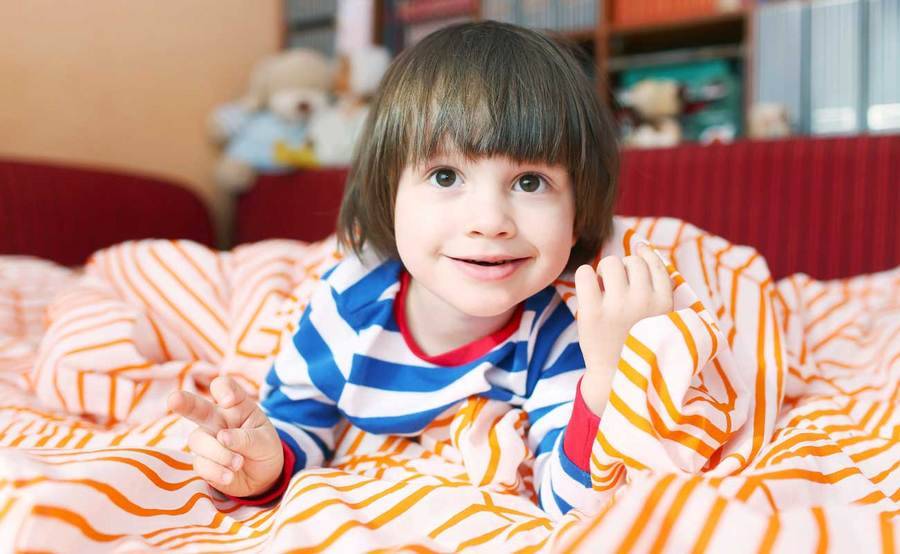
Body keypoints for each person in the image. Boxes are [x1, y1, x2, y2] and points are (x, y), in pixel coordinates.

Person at [168, 20, 673, 518]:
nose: (490, 222)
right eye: (446, 175)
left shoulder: (561, 331)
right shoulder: (350, 302)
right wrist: (262, 464)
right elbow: (299, 420)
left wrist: (606, 380)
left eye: (530, 183)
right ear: (388, 195)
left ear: (580, 208)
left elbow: (571, 503)